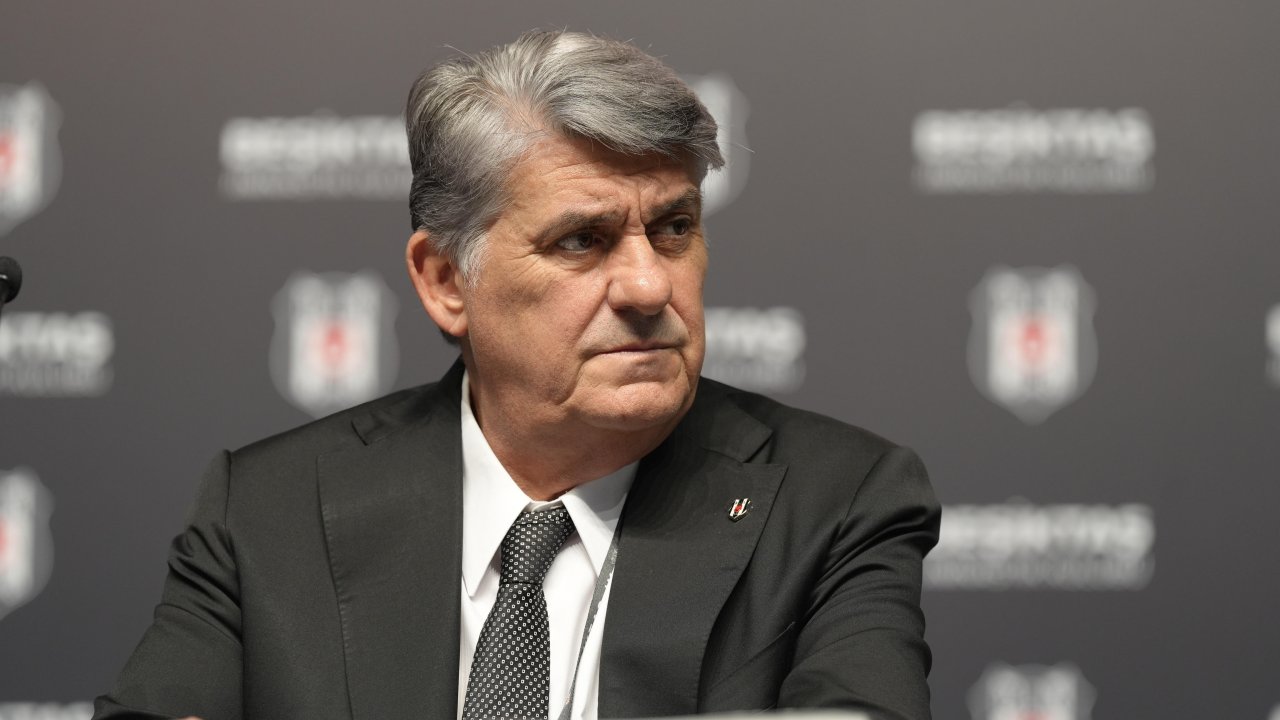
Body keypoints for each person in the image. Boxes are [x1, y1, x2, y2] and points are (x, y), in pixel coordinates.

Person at [94, 30, 940, 720]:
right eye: (582, 240)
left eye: (674, 228)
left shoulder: (837, 502)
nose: (649, 287)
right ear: (445, 281)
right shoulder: (266, 512)